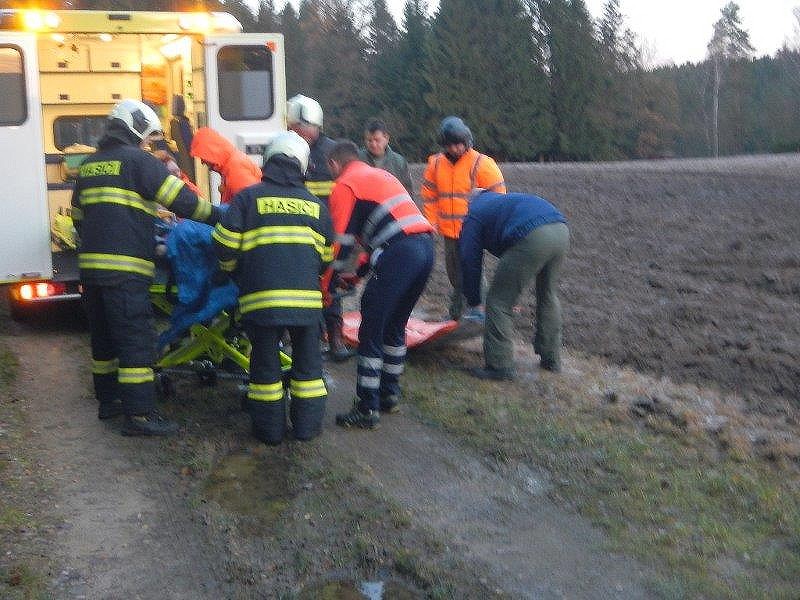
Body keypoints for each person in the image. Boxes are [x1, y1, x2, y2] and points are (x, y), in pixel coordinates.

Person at [71, 99, 220, 436]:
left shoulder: (89, 166)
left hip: (91, 271)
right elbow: (183, 201)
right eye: (147, 137)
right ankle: (139, 416)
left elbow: (79, 218)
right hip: (126, 271)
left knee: (104, 340)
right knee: (135, 340)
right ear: (135, 129)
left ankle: (109, 402)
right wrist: (221, 216)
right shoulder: (140, 162)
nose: (147, 144)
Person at [212, 131, 334, 445]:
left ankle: (269, 432)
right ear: (302, 166)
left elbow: (224, 245)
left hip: (261, 302)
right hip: (306, 305)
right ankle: (306, 429)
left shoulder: (247, 199)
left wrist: (233, 272)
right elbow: (326, 258)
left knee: (265, 367)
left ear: (268, 162)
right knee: (309, 367)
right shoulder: (316, 206)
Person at [325, 141, 434, 429]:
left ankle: (366, 408)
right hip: (424, 248)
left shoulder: (345, 185)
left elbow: (340, 244)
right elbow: (377, 240)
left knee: (371, 327)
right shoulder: (379, 176)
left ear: (335, 164)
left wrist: (326, 287)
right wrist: (355, 276)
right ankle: (388, 395)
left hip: (400, 252)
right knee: (395, 325)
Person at [459, 190, 570, 380]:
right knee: (548, 294)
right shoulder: (500, 203)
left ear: (469, 203)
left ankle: (499, 366)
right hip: (560, 229)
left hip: (533, 236)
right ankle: (551, 359)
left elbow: (469, 260)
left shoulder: (474, 214)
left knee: (498, 301)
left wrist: (474, 300)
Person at [286, 93, 353, 361]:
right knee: (304, 286)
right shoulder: (289, 150)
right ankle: (309, 339)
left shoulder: (332, 153)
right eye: (293, 128)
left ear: (313, 125)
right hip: (302, 230)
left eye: (299, 128)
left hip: (330, 231)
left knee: (330, 284)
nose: (296, 132)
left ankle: (336, 337)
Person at [421, 116, 506, 320]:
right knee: (455, 274)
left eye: (458, 143)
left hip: (472, 230)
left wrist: (488, 226)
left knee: (471, 271)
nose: (455, 148)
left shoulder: (482, 164)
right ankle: (466, 311)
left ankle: (474, 312)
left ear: (467, 141)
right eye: (450, 145)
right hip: (449, 231)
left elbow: (498, 197)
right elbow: (429, 195)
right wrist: (431, 221)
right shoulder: (435, 164)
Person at [190, 126, 262, 204]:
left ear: (211, 152)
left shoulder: (235, 167)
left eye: (203, 156)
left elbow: (249, 202)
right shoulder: (229, 165)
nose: (202, 162)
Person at [357, 118, 413, 194]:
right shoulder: (358, 159)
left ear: (386, 138)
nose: (373, 144)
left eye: (377, 140)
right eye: (369, 140)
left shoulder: (399, 162)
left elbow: (407, 191)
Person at [169, 94, 195, 182]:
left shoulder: (175, 123)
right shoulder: (185, 122)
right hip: (189, 158)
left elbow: (180, 145)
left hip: (184, 160)